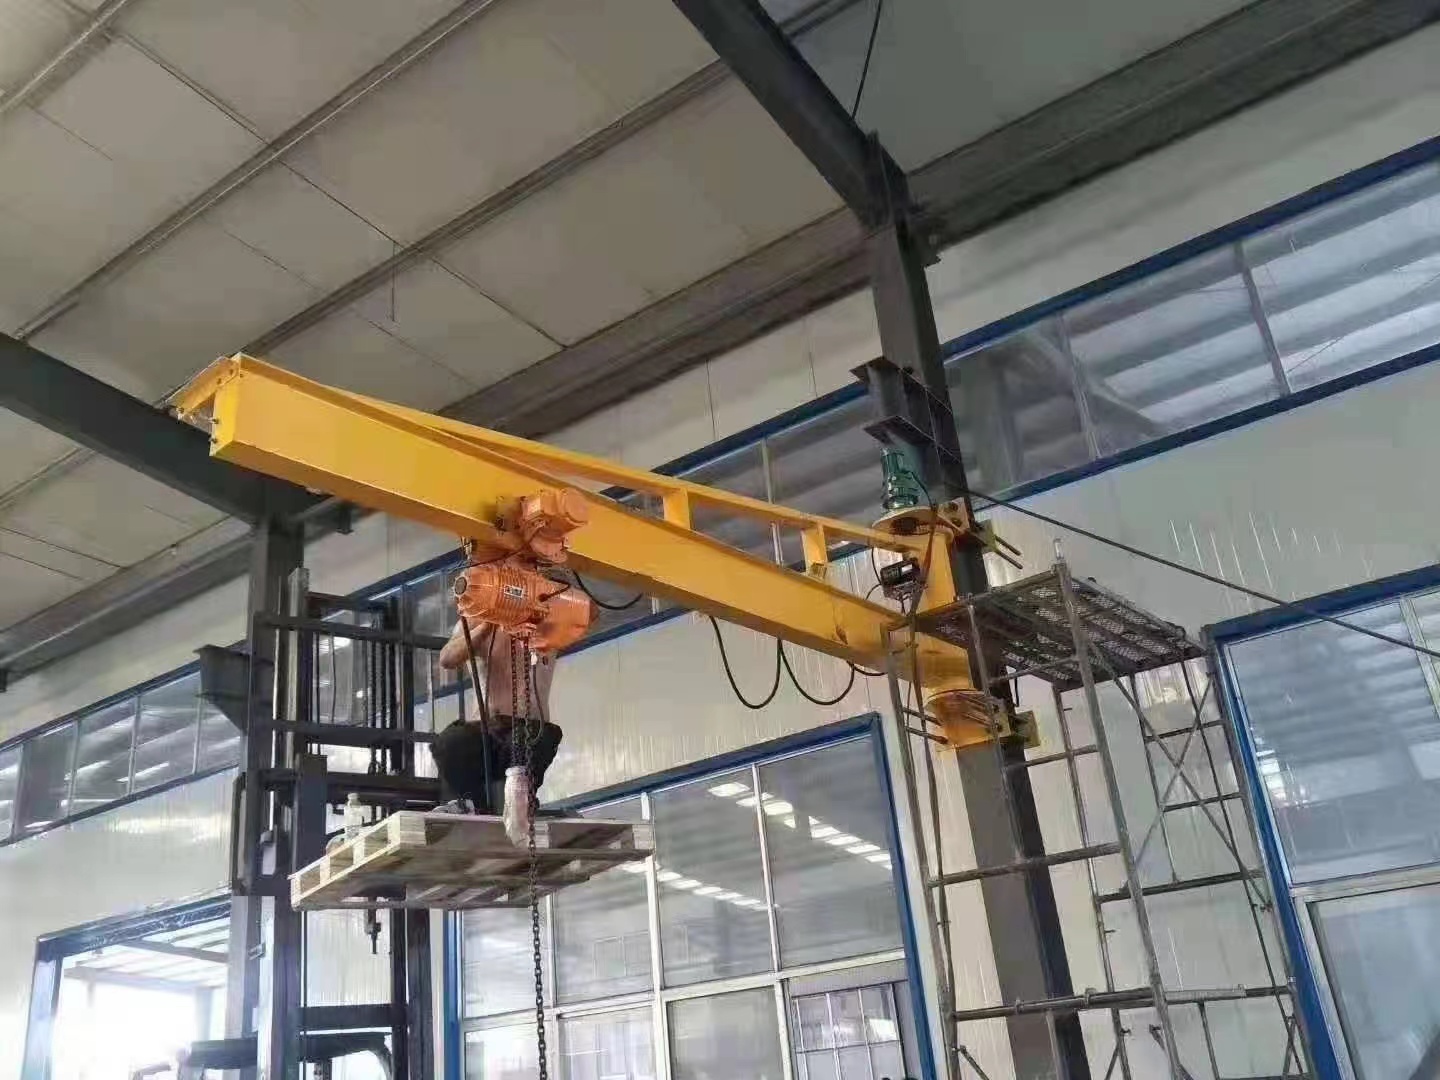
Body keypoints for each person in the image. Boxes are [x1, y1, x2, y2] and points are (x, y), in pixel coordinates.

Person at [431, 621, 563, 815]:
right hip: (484, 730)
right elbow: (447, 659)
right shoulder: (473, 621)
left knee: (531, 740)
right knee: (452, 741)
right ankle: (465, 803)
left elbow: (589, 614)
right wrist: (487, 624)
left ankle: (521, 801)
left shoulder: (548, 618)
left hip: (527, 726)